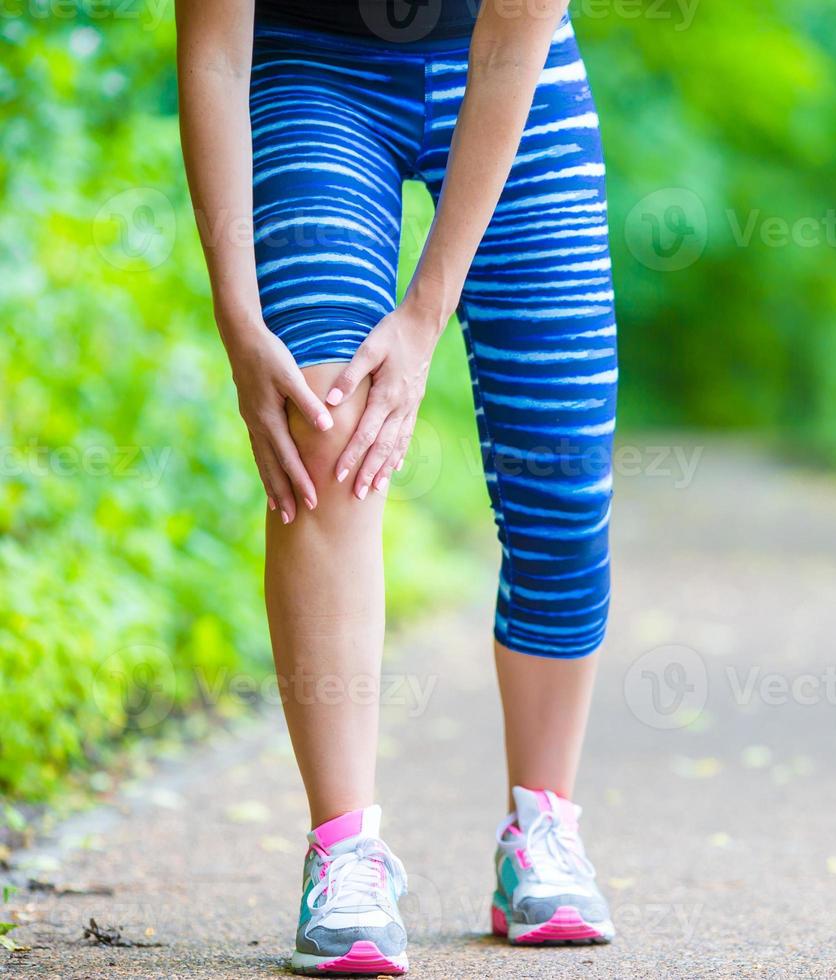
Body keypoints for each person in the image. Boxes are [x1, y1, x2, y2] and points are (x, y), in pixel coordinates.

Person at [175, 0, 618, 971]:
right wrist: (237, 315)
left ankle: (541, 829)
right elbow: (213, 52)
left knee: (564, 470)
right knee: (324, 427)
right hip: (311, 67)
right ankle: (346, 852)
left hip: (512, 68)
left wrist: (426, 311)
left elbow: (519, 20)